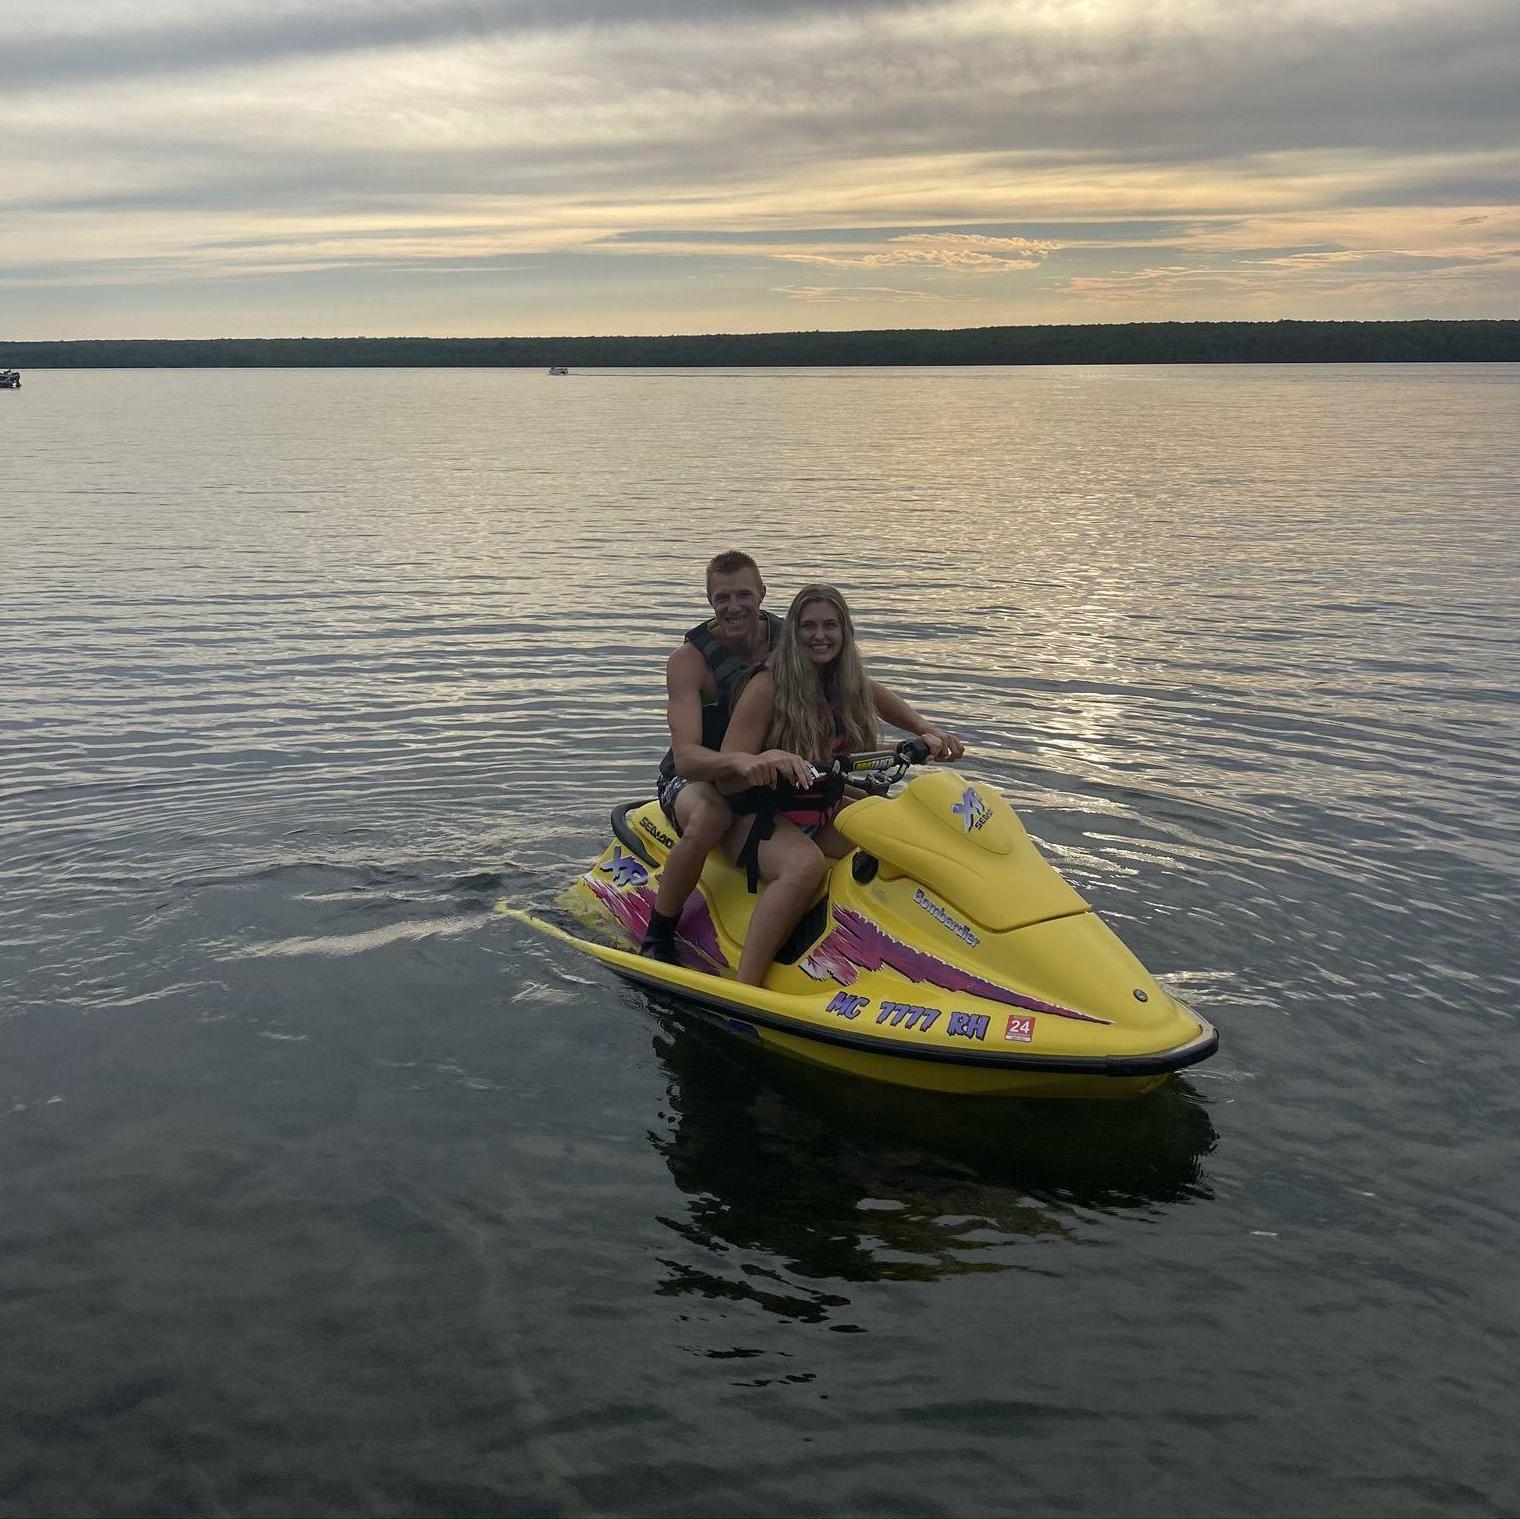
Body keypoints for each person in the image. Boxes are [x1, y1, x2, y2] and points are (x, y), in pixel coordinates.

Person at [641, 555, 962, 963]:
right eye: (723, 597)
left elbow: (860, 685)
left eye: (744, 594)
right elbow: (686, 757)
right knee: (711, 816)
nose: (734, 606)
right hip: (700, 775)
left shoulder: (791, 636)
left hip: (776, 767)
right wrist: (743, 762)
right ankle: (660, 932)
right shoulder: (690, 662)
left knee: (883, 818)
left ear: (762, 593)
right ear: (709, 600)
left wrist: (922, 728)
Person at [718, 583, 963, 985]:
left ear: (845, 632)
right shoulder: (767, 686)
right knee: (804, 866)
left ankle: (923, 961)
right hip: (756, 818)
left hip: (819, 808)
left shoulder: (842, 680)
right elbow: (728, 772)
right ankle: (745, 985)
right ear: (793, 633)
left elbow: (878, 696)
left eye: (830, 625)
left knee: (906, 839)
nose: (820, 635)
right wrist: (762, 759)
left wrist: (926, 730)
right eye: (808, 626)